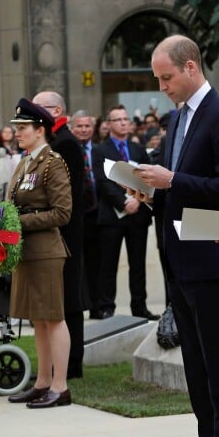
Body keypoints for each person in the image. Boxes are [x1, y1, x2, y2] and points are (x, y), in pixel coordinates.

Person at [134, 35, 219, 437]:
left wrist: (173, 180)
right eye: (158, 79)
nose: (162, 87)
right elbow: (176, 187)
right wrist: (149, 192)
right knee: (196, 368)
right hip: (180, 258)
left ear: (191, 66)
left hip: (211, 258)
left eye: (166, 77)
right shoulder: (179, 117)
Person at [6, 98, 72, 408]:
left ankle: (60, 386)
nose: (17, 133)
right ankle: (43, 382)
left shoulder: (52, 162)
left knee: (53, 317)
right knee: (38, 319)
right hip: (26, 251)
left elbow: (62, 213)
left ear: (40, 129)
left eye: (23, 128)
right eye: (16, 128)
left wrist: (19, 221)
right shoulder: (24, 162)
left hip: (46, 250)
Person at [32, 91, 86, 380]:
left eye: (39, 108)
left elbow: (67, 196)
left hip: (64, 234)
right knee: (58, 301)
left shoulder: (65, 143)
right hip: (55, 234)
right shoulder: (52, 141)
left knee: (68, 299)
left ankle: (71, 362)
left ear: (56, 110)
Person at [92, 104, 159, 320]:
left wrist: (138, 200)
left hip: (138, 215)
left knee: (137, 265)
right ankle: (106, 306)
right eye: (117, 119)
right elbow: (103, 181)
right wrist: (123, 202)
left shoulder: (138, 149)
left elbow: (147, 176)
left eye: (125, 119)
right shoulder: (100, 150)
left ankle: (139, 307)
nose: (123, 122)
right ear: (109, 124)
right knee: (108, 264)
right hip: (112, 216)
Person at [71, 109, 103, 319]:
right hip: (75, 215)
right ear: (72, 128)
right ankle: (78, 305)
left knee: (97, 263)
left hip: (98, 214)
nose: (83, 130)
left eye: (87, 126)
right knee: (77, 263)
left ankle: (97, 305)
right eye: (79, 126)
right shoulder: (67, 150)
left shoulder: (100, 151)